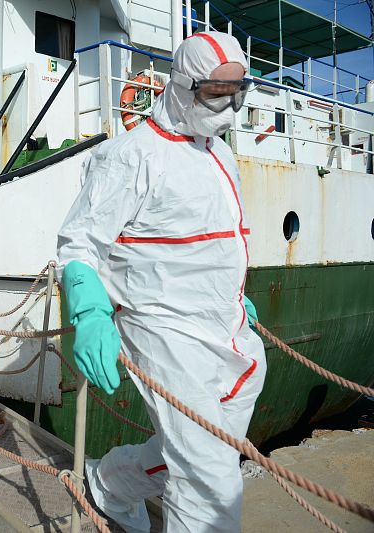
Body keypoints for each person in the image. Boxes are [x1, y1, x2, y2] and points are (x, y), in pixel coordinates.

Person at [56, 32, 266, 532]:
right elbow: (80, 242)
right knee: (210, 477)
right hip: (162, 327)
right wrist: (89, 310)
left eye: (239, 92)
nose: (230, 106)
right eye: (218, 92)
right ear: (183, 85)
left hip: (225, 325)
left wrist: (235, 296)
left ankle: (109, 483)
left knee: (210, 448)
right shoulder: (131, 155)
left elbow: (210, 239)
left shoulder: (219, 154)